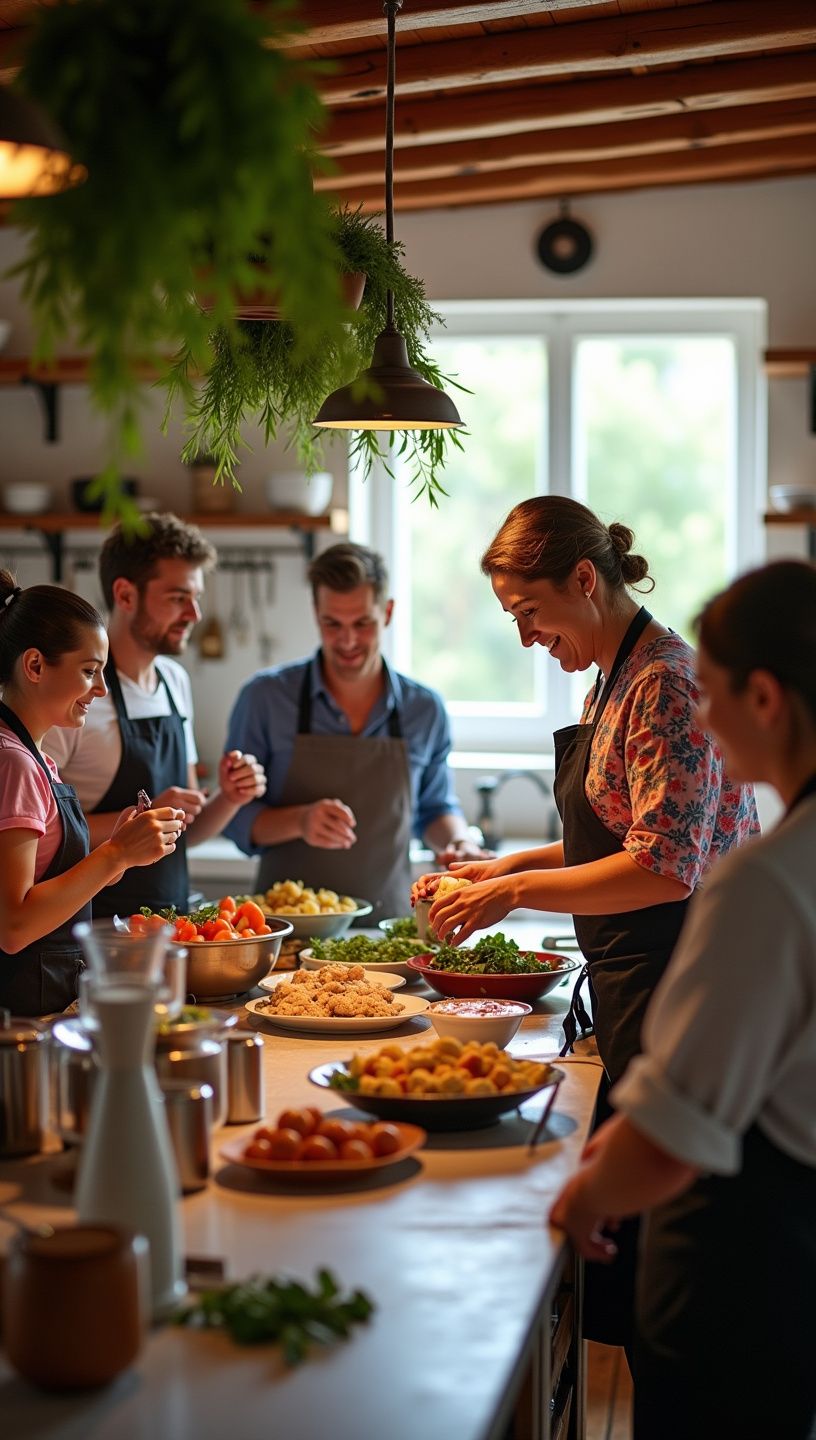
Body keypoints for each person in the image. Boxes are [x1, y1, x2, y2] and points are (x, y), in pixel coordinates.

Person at [418, 495, 758, 1349]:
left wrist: (510, 896)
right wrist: (504, 867)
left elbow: (661, 868)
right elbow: (609, 834)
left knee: (672, 1279)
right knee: (633, 1276)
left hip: (684, 988)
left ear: (583, 578)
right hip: (636, 985)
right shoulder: (614, 679)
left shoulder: (666, 686)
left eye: (529, 612)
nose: (526, 636)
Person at [550, 560, 816, 1440]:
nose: (699, 717)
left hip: (742, 1254)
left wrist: (579, 1199)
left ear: (767, 699)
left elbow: (673, 1134)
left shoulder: (767, 885)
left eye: (715, 692)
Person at [224, 541, 484, 919]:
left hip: (389, 928)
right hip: (287, 930)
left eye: (362, 623)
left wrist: (460, 842)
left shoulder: (424, 709)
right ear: (316, 613)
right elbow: (234, 817)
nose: (347, 641)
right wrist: (299, 821)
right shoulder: (265, 698)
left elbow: (434, 807)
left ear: (388, 612)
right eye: (333, 624)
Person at [44, 512, 265, 918]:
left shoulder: (174, 681)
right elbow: (43, 833)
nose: (194, 615)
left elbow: (187, 832)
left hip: (173, 927)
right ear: (126, 595)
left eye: (195, 598)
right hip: (95, 933)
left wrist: (230, 798)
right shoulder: (76, 692)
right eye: (179, 598)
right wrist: (141, 821)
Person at [0, 571, 185, 1016]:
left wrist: (118, 855)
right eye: (89, 672)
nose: (101, 690)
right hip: (22, 1018)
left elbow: (44, 883)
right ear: (36, 666)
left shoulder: (36, 757)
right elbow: (14, 924)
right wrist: (116, 854)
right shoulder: (14, 763)